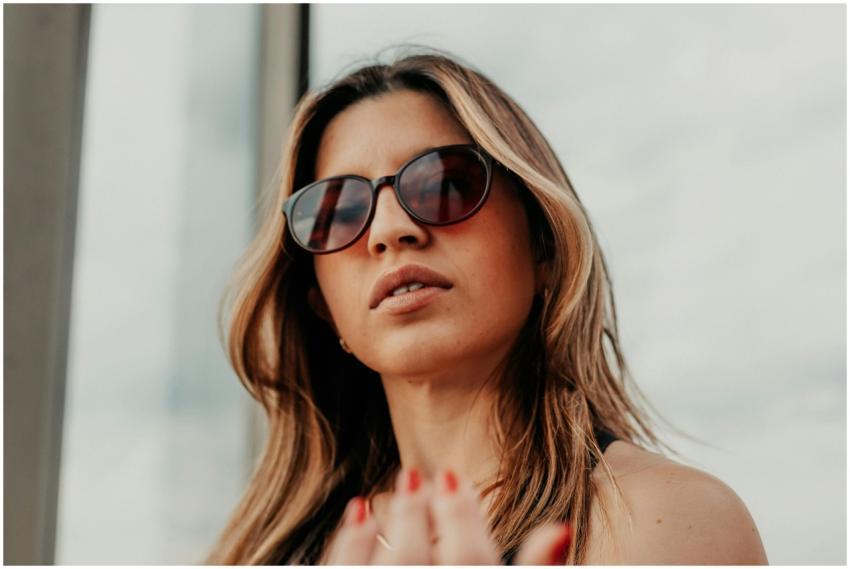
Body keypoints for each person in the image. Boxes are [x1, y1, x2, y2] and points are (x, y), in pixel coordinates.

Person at [205, 47, 768, 565]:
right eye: (337, 212)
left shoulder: (666, 521)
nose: (389, 230)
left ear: (544, 246)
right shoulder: (262, 555)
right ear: (322, 305)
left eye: (444, 184)